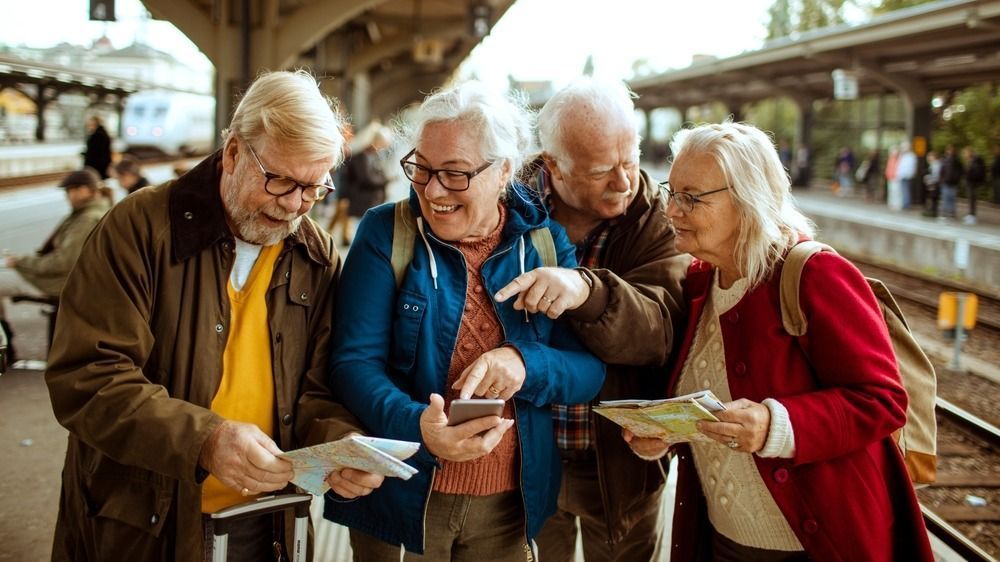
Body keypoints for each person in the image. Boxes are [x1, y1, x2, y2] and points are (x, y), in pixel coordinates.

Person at [44, 70, 383, 562]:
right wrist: (205, 441)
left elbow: (316, 390)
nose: (293, 207)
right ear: (232, 153)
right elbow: (88, 378)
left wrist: (340, 446)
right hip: (142, 522)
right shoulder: (138, 228)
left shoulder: (316, 252)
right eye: (280, 181)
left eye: (313, 189)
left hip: (269, 520)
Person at [623, 121, 933, 562]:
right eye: (670, 192)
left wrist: (776, 426)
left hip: (814, 544)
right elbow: (713, 400)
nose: (671, 211)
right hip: (724, 538)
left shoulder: (815, 274)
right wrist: (669, 434)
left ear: (748, 200)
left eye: (691, 197)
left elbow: (883, 399)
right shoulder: (699, 282)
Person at [324, 80, 606, 560]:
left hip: (507, 510)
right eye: (422, 168)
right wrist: (420, 428)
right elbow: (352, 364)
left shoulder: (543, 245)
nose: (433, 190)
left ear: (503, 172)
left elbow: (589, 371)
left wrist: (525, 364)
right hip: (400, 497)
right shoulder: (385, 233)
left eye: (455, 173)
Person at [492, 78, 688, 561]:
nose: (624, 183)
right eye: (602, 171)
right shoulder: (501, 204)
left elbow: (659, 331)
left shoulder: (657, 220)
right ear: (554, 165)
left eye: (631, 160)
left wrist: (586, 289)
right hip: (525, 456)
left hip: (620, 464)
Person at [1, 167, 112, 364]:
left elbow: (63, 262)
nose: (68, 196)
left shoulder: (86, 219)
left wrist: (20, 262)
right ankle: (6, 345)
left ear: (85, 190)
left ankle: (5, 346)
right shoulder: (93, 211)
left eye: (71, 190)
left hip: (60, 282)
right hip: (70, 278)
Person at [327, 122, 393, 245]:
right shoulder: (361, 156)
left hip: (364, 198)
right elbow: (366, 178)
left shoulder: (371, 155)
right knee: (349, 224)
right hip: (357, 198)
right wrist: (385, 180)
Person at [939, 144, 963, 220]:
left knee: (950, 198)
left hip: (952, 182)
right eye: (949, 150)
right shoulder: (946, 160)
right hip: (947, 182)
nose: (950, 151)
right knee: (947, 198)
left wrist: (957, 178)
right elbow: (942, 170)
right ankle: (948, 213)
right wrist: (942, 179)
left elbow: (961, 171)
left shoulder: (956, 160)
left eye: (951, 150)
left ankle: (949, 213)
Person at [963, 147, 985, 225]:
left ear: (969, 153)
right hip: (970, 183)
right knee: (971, 200)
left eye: (965, 153)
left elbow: (974, 173)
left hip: (972, 183)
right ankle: (970, 215)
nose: (964, 155)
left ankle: (972, 217)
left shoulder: (974, 162)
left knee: (972, 199)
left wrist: (968, 176)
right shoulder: (971, 161)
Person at [896, 140, 918, 211]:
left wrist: (910, 174)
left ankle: (906, 205)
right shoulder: (903, 156)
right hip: (902, 175)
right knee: (903, 191)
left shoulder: (911, 156)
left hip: (907, 176)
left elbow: (911, 167)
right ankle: (904, 204)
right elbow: (899, 166)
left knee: (906, 191)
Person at [923, 150, 942, 218]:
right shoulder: (933, 164)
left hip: (934, 184)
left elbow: (935, 175)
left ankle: (934, 212)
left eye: (930, 156)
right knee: (933, 198)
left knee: (934, 198)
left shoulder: (936, 164)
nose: (929, 158)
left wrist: (928, 179)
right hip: (933, 184)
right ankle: (932, 211)